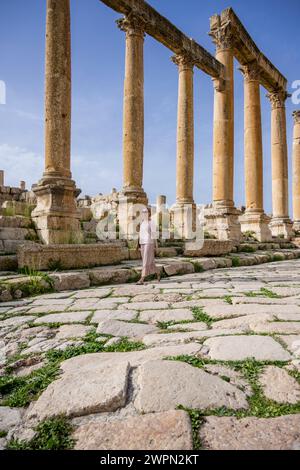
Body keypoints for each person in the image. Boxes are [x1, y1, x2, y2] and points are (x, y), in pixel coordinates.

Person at [137, 207, 161, 285]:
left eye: (146, 212)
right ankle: (158, 272)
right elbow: (140, 234)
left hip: (149, 242)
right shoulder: (142, 222)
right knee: (149, 261)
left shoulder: (152, 222)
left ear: (149, 213)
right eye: (143, 212)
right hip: (142, 243)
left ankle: (142, 278)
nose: (144, 213)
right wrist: (137, 245)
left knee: (145, 261)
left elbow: (154, 235)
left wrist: (156, 246)